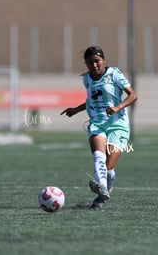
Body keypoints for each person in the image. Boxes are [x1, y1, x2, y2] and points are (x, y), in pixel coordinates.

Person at [61, 46, 137, 209]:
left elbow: (133, 95)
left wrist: (117, 107)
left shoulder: (114, 73)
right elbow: (92, 100)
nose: (94, 65)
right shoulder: (86, 79)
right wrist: (75, 109)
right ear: (86, 63)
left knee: (109, 167)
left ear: (103, 60)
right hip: (97, 123)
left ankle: (104, 191)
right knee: (98, 157)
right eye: (90, 62)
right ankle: (102, 189)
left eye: (97, 61)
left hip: (118, 124)